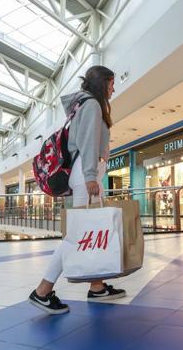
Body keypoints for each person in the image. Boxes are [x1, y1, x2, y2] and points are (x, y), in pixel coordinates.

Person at [29, 66, 125, 314]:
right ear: (103, 82)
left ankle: (97, 286)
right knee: (77, 233)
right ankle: (42, 291)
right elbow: (87, 142)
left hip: (85, 173)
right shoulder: (92, 104)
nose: (114, 88)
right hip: (85, 173)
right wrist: (92, 176)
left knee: (89, 230)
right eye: (112, 83)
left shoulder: (82, 104)